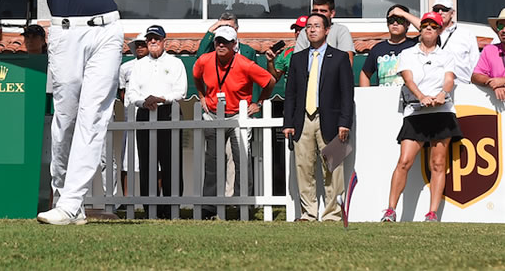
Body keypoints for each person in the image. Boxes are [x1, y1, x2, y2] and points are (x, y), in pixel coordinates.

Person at [15, 0, 124, 226]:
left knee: (94, 117)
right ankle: (63, 196)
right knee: (65, 121)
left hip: (107, 29)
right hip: (67, 34)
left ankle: (70, 203)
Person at [381, 12, 459, 223]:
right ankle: (390, 210)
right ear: (420, 29)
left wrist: (442, 95)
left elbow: (449, 80)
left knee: (438, 164)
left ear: (439, 31)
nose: (428, 29)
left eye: (433, 26)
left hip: (441, 113)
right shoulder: (407, 53)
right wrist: (421, 97)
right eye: (425, 25)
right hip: (415, 111)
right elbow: (408, 78)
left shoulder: (446, 55)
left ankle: (432, 213)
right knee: (404, 161)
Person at [193, 26, 275, 219]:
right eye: (218, 41)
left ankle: (243, 205)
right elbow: (196, 77)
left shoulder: (245, 64)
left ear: (234, 45)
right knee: (212, 160)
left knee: (242, 161)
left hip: (238, 116)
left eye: (226, 42)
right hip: (213, 115)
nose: (221, 45)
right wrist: (202, 96)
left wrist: (259, 103)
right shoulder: (204, 60)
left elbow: (270, 81)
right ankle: (209, 207)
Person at [283, 13, 354, 222]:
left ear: (327, 30)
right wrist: (288, 122)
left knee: (334, 167)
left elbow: (347, 94)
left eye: (316, 26)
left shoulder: (340, 57)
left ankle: (332, 213)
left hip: (331, 119)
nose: (312, 30)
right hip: (302, 119)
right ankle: (308, 213)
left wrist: (345, 122)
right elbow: (290, 93)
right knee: (303, 167)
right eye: (309, 27)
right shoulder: (297, 58)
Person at [125, 25, 187, 219]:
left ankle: (171, 208)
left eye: (156, 39)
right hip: (144, 112)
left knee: (171, 162)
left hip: (169, 113)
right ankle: (150, 207)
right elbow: (131, 92)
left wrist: (162, 98)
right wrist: (143, 102)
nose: (152, 42)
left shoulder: (176, 63)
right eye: (149, 38)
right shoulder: (138, 65)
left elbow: (181, 91)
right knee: (147, 163)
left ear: (163, 42)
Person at [117, 35, 147, 197]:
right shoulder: (125, 67)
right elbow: (121, 92)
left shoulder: (154, 66)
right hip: (131, 119)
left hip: (151, 116)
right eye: (137, 45)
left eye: (143, 44)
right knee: (126, 160)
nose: (140, 47)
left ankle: (152, 197)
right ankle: (126, 197)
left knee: (155, 163)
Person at [360, 5, 419, 87]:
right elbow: (365, 73)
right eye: (391, 20)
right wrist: (366, 95)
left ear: (408, 23)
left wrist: (404, 14)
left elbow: (427, 29)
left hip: (408, 97)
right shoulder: (378, 48)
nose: (395, 23)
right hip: (384, 97)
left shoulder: (415, 45)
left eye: (400, 20)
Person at [294, 0, 355, 66]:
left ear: (332, 13)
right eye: (315, 10)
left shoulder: (341, 31)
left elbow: (347, 63)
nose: (318, 14)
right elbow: (297, 62)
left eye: (323, 11)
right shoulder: (305, 32)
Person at [471, 7, 505, 100]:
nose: (503, 30)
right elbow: (475, 76)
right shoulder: (489, 50)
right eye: (501, 26)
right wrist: (492, 83)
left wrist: (502, 81)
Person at [266, 15, 307, 81]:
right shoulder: (287, 52)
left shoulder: (318, 52)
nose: (298, 32)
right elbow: (274, 78)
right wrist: (270, 61)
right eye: (296, 30)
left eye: (302, 29)